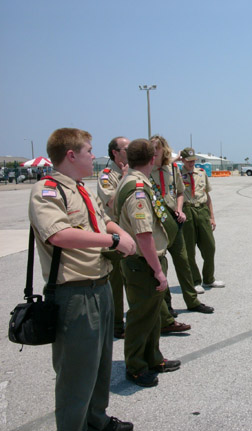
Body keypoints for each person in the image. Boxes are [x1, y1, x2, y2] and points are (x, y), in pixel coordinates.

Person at [28, 128, 134, 430]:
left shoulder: (81, 189)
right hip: (73, 293)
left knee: (100, 367)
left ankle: (97, 421)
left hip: (100, 287)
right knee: (76, 375)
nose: (93, 156)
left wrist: (119, 231)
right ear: (71, 155)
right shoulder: (47, 191)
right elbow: (59, 235)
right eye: (89, 151)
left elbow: (103, 218)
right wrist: (111, 242)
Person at [115, 138, 182, 387]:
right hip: (143, 263)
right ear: (153, 159)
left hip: (147, 260)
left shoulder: (136, 180)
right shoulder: (138, 189)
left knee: (152, 315)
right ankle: (135, 367)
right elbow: (143, 236)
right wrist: (158, 271)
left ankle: (153, 358)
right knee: (140, 317)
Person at [149, 135, 214, 326]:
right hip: (155, 221)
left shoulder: (172, 168)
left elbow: (179, 191)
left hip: (173, 219)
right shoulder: (145, 168)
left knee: (183, 261)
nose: (154, 152)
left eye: (157, 149)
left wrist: (178, 208)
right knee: (161, 265)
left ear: (164, 149)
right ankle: (167, 306)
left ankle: (192, 300)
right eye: (151, 148)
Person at [97, 136, 130, 339]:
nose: (130, 151)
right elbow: (112, 203)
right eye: (126, 148)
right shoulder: (107, 175)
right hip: (115, 236)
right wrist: (125, 179)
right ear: (115, 153)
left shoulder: (133, 172)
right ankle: (117, 324)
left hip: (132, 233)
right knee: (116, 282)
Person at [179, 147, 225, 290]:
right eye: (188, 161)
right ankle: (195, 281)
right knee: (190, 250)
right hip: (187, 210)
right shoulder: (177, 175)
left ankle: (209, 279)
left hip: (202, 210)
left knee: (209, 247)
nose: (191, 163)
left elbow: (207, 196)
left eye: (193, 161)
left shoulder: (201, 173)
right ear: (182, 160)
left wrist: (212, 216)